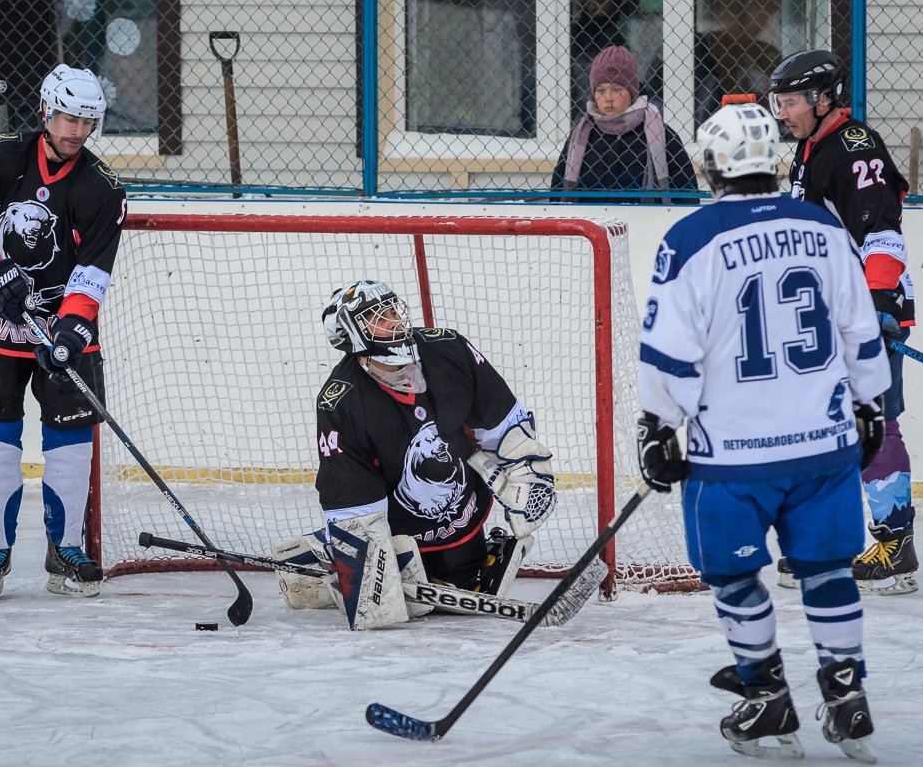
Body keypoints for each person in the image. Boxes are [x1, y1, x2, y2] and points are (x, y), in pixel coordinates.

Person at [635, 103, 888, 761]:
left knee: (733, 579)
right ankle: (844, 690)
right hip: (821, 445)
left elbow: (668, 353)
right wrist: (870, 406)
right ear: (773, 161)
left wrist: (659, 426)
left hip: (732, 459)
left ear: (711, 164)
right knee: (827, 572)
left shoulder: (688, 237)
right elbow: (860, 329)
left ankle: (764, 691)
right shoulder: (821, 227)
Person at [271, 280, 560, 630]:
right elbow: (352, 495)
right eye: (378, 317)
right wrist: (367, 566)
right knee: (388, 607)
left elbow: (503, 422)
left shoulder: (448, 349)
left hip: (461, 514)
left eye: (394, 310)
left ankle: (342, 558)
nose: (394, 320)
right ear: (351, 335)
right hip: (397, 530)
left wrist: (531, 475)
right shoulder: (342, 402)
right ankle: (322, 554)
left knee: (468, 590)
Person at [0, 64, 128, 601]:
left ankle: (66, 548)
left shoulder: (102, 189)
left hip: (59, 333)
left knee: (71, 441)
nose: (76, 132)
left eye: (88, 121)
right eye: (69, 118)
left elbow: (91, 273)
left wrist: (71, 330)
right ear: (47, 111)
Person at [770, 49, 918, 595]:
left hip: (865, 310)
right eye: (778, 101)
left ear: (821, 99)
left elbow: (882, 234)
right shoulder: (810, 148)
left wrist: (879, 306)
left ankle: (894, 544)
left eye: (789, 102)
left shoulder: (856, 149)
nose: (781, 112)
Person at [552, 45, 697, 201]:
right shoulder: (581, 134)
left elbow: (686, 193)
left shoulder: (661, 134)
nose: (608, 97)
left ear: (632, 92)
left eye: (616, 90)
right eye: (601, 90)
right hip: (589, 223)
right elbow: (557, 192)